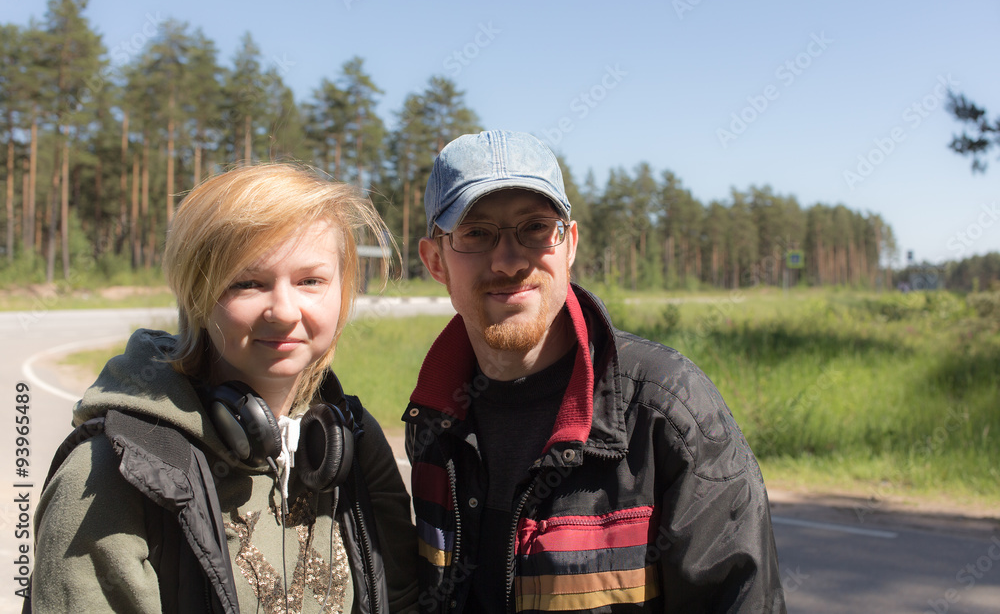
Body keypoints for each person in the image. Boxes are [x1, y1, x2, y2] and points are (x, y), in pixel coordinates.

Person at [403, 130, 786, 613]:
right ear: (435, 260)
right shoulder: (434, 419)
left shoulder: (667, 415)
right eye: (476, 233)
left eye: (536, 228)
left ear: (569, 245)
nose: (508, 261)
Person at [29, 164, 418, 613]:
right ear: (197, 293)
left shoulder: (353, 446)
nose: (285, 311)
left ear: (343, 291)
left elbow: (402, 598)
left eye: (311, 281)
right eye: (248, 283)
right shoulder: (110, 475)